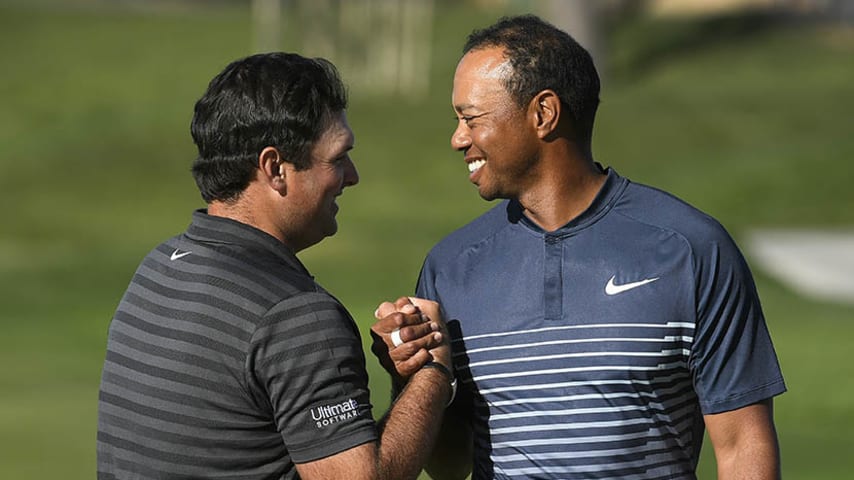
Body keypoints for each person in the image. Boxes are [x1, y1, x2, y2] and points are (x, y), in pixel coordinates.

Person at [373, 14, 786, 480]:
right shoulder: (450, 267)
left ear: (543, 114)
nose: (457, 139)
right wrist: (417, 375)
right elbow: (449, 465)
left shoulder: (691, 249)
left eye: (471, 118)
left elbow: (742, 445)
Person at [96, 52, 455, 480]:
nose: (353, 176)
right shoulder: (298, 317)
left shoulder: (158, 270)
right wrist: (431, 374)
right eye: (338, 158)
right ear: (275, 168)